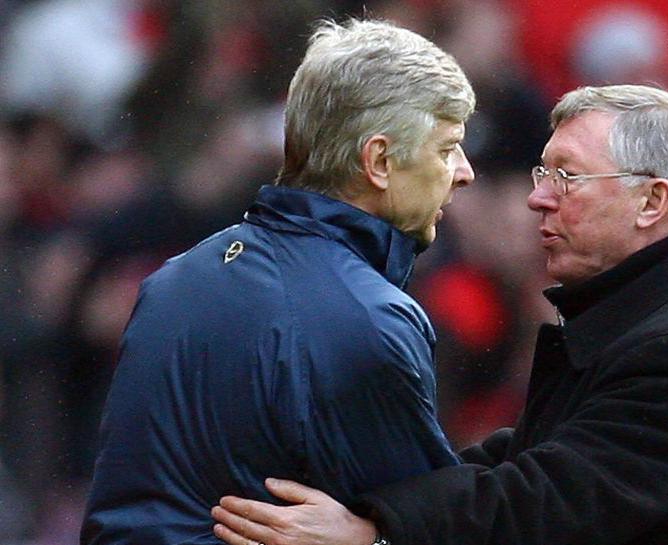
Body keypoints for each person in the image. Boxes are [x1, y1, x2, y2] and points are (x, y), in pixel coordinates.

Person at [211, 85, 668, 545]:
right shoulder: (661, 320)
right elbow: (530, 458)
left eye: (568, 177)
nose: (538, 196)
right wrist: (362, 500)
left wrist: (369, 532)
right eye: (543, 172)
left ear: (652, 201)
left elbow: (542, 504)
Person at [81, 18, 475, 544]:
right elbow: (437, 526)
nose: (465, 171)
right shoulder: (372, 319)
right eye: (448, 148)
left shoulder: (172, 282)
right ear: (379, 161)